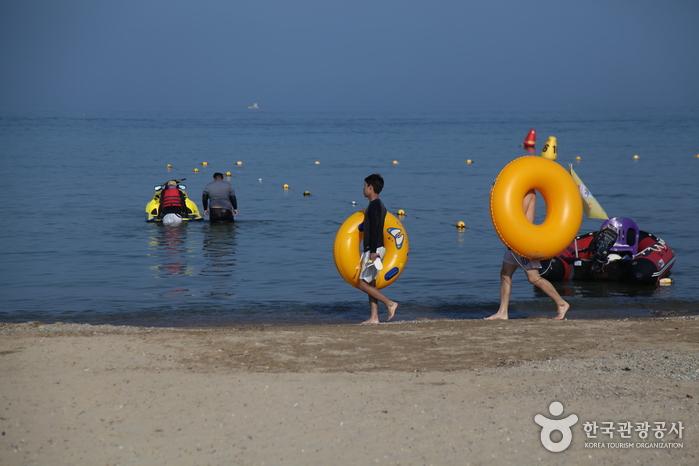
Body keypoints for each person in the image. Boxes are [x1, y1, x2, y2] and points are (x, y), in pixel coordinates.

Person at [485, 189, 570, 320]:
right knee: (505, 273)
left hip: (523, 241)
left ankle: (562, 303)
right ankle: (502, 312)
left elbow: (515, 215)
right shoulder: (518, 193)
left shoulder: (528, 193)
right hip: (514, 242)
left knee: (534, 278)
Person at [357, 174, 399, 324]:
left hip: (374, 249)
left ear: (371, 187)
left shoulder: (374, 205)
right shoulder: (379, 205)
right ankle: (374, 317)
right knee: (371, 283)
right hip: (376, 248)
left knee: (363, 284)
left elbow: (375, 230)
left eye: (365, 185)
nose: (363, 188)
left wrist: (373, 251)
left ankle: (390, 304)